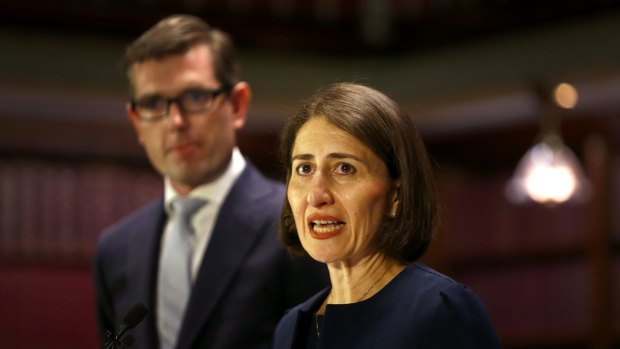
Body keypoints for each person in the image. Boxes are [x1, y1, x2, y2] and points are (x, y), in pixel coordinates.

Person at [93, 14, 327, 349]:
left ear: (237, 105)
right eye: (153, 103)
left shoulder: (299, 222)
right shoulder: (114, 249)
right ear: (136, 120)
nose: (175, 121)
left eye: (195, 97)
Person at [272, 82, 502, 348]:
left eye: (344, 168)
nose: (316, 195)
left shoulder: (440, 310)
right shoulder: (291, 328)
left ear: (396, 194)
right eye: (304, 169)